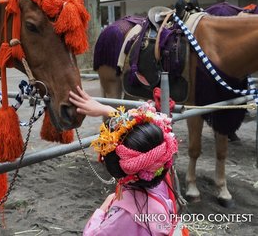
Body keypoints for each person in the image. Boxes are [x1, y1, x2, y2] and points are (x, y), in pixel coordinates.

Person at [69, 86, 188, 236]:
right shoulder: (159, 177)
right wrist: (108, 111)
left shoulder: (125, 215)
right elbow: (145, 146)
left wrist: (103, 208)